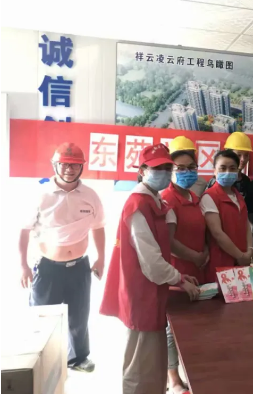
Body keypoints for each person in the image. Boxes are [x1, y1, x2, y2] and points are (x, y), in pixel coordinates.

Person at [100, 143, 200, 394]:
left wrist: (178, 277)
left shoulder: (153, 199)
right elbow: (151, 261)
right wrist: (179, 279)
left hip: (151, 291)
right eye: (157, 168)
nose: (164, 173)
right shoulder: (138, 204)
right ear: (142, 170)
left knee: (152, 363)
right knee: (141, 366)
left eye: (167, 168)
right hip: (141, 292)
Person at [19, 142, 105, 373]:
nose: (69, 168)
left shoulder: (90, 195)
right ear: (54, 165)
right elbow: (24, 230)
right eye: (64, 164)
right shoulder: (41, 194)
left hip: (79, 266)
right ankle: (39, 359)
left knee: (79, 315)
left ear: (82, 167)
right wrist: (23, 266)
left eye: (75, 164)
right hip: (47, 267)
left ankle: (77, 359)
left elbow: (98, 227)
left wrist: (101, 258)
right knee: (42, 316)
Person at [161, 137, 208, 394]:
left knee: (193, 325)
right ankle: (174, 379)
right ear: (170, 170)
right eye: (181, 168)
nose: (187, 172)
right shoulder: (166, 198)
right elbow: (169, 243)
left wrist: (205, 252)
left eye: (191, 167)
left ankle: (192, 371)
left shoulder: (194, 197)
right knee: (173, 329)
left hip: (197, 269)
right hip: (177, 272)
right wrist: (195, 257)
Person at [201, 149, 253, 283]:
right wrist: (240, 256)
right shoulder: (209, 196)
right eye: (223, 168)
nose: (228, 172)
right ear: (214, 171)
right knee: (221, 295)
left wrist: (250, 250)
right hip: (221, 262)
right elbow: (217, 233)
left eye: (232, 168)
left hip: (242, 261)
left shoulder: (238, 195)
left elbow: (246, 224)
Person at [206, 132, 252, 199]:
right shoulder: (218, 180)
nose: (243, 159)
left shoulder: (246, 181)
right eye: (239, 155)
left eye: (246, 155)